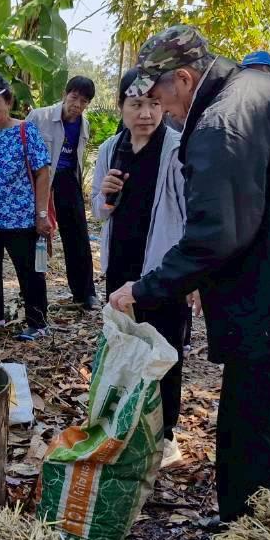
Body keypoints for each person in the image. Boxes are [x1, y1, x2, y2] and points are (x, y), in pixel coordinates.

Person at [107, 26, 270, 524]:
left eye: (159, 95)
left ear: (184, 79)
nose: (160, 108)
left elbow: (216, 236)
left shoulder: (220, 124)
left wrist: (146, 288)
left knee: (252, 429)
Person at [91, 69, 193, 466]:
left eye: (153, 103)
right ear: (121, 107)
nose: (146, 114)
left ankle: (165, 433)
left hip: (163, 271)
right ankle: (128, 422)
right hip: (121, 266)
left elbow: (191, 213)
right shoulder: (110, 149)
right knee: (127, 345)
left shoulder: (177, 149)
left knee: (165, 348)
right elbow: (100, 212)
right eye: (136, 105)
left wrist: (192, 276)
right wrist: (104, 196)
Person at [0, 75, 53, 341]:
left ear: (8, 102)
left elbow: (42, 173)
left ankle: (38, 323)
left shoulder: (26, 131)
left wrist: (41, 214)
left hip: (21, 218)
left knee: (29, 272)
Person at [27, 75, 99, 310]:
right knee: (35, 236)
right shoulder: (39, 117)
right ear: (65, 95)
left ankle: (85, 293)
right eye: (74, 97)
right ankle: (33, 294)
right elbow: (22, 150)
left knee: (78, 235)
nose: (77, 105)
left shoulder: (84, 125)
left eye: (83, 101)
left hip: (68, 180)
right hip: (39, 181)